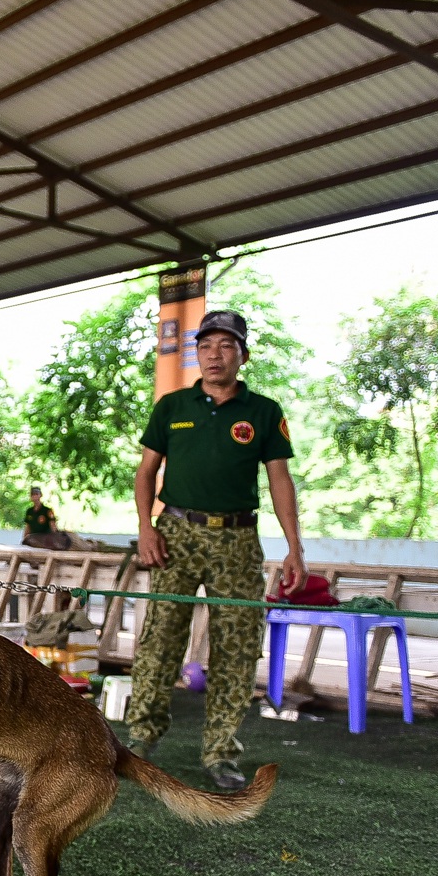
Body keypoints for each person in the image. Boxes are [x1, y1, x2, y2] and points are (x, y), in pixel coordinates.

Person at [125, 309, 306, 791]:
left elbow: (279, 479)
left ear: (242, 355)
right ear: (197, 354)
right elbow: (146, 472)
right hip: (176, 532)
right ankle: (139, 740)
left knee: (238, 643)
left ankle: (222, 752)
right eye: (206, 346)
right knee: (161, 634)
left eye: (226, 346)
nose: (214, 355)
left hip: (237, 538)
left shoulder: (264, 412)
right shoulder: (171, 406)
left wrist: (294, 548)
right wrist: (145, 527)